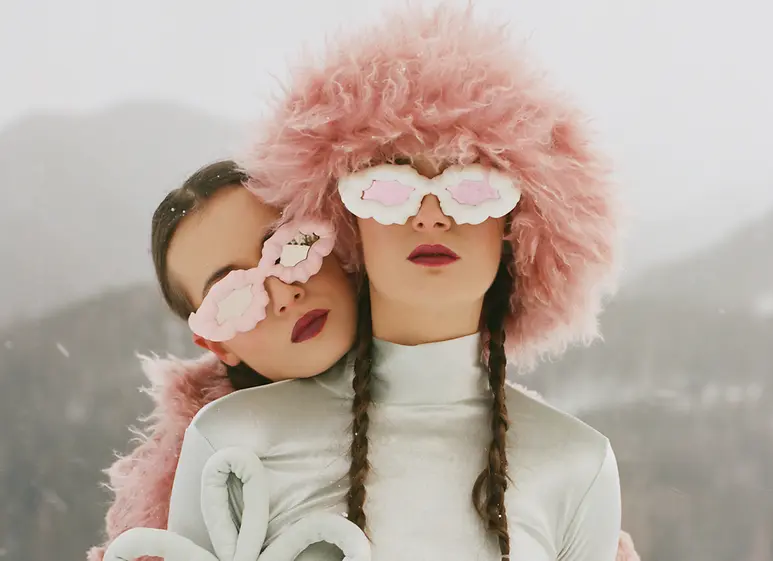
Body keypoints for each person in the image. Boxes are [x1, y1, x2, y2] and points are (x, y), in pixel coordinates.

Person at [166, 3, 623, 560]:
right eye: (387, 186)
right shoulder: (233, 444)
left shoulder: (576, 465)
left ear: (519, 226)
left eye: (472, 186)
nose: (430, 215)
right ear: (342, 218)